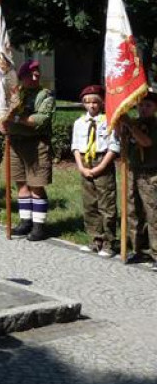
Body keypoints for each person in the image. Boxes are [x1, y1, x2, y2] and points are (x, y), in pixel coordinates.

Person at [0, 60, 56, 241]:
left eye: (37, 73)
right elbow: (2, 113)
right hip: (15, 143)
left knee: (36, 185)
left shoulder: (44, 95)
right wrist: (2, 123)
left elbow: (41, 119)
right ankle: (26, 221)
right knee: (20, 183)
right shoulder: (15, 94)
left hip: (35, 143)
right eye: (31, 74)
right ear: (22, 77)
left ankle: (39, 226)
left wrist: (17, 118)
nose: (36, 76)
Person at [71, 85, 120, 257]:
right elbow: (76, 147)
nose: (92, 106)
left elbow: (113, 147)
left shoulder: (109, 121)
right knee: (90, 203)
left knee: (106, 204)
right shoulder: (79, 123)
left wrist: (101, 167)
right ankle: (95, 239)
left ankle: (109, 242)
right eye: (87, 102)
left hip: (102, 160)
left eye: (95, 102)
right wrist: (81, 167)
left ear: (101, 103)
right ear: (83, 103)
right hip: (85, 160)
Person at [119, 91, 157, 270]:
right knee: (133, 210)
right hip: (133, 170)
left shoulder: (154, 124)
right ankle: (139, 248)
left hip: (151, 173)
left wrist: (130, 126)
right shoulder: (134, 123)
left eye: (148, 105)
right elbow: (121, 139)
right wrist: (120, 121)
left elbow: (146, 142)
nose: (143, 109)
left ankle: (156, 252)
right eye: (141, 105)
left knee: (153, 213)